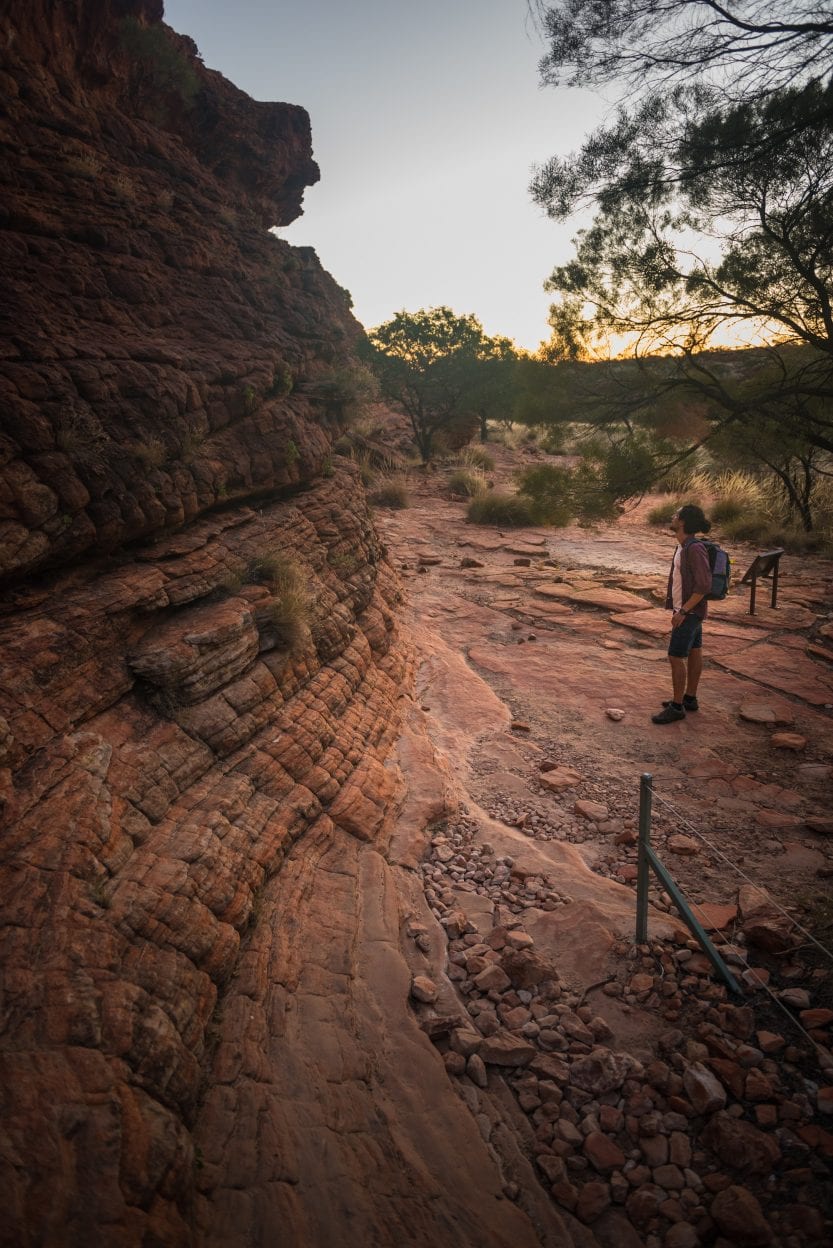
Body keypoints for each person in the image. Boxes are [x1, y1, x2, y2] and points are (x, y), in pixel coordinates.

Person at [652, 503, 713, 724]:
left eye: (676, 515)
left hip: (689, 612)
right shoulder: (683, 546)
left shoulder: (694, 548)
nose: (672, 517)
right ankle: (690, 698)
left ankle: (677, 707)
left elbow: (704, 585)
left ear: (683, 522)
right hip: (692, 611)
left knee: (675, 656)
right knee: (695, 651)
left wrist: (683, 611)